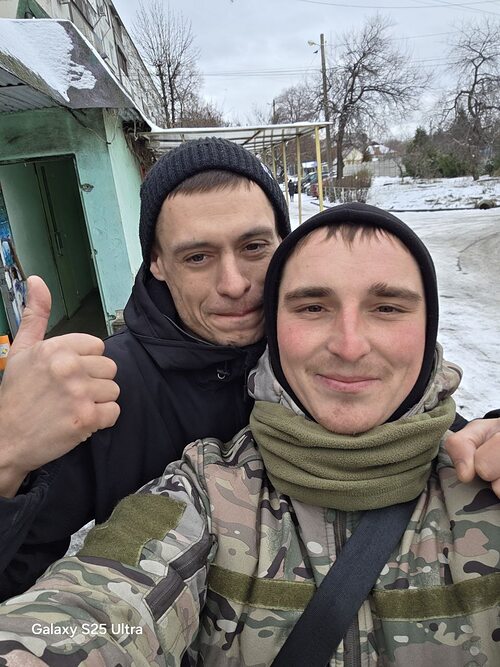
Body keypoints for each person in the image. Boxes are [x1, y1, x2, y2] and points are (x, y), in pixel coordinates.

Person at [0, 139, 497, 603]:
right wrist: (7, 451)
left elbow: (426, 427)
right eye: (198, 257)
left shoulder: (329, 360)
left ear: (284, 244)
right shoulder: (106, 388)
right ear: (157, 263)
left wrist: (487, 439)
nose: (234, 283)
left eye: (254, 248)